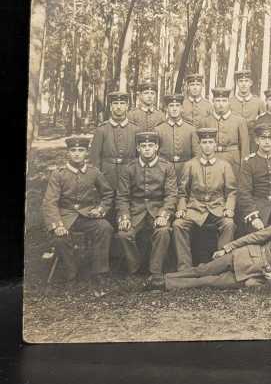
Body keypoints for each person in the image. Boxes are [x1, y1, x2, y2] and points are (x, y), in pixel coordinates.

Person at [145, 209, 271, 291]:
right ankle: (160, 277)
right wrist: (227, 248)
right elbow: (253, 238)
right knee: (203, 269)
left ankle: (162, 284)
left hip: (256, 275)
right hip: (243, 255)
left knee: (209, 281)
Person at [41, 136, 114, 296]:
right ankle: (71, 275)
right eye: (73, 150)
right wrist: (57, 225)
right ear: (67, 153)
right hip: (65, 217)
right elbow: (49, 202)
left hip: (87, 215)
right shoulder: (58, 174)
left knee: (105, 227)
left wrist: (100, 209)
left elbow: (108, 193)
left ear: (86, 152)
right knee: (60, 239)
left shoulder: (93, 172)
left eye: (81, 150)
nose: (76, 154)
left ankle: (99, 273)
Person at [172, 128, 237, 271]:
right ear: (199, 145)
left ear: (215, 145)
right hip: (195, 208)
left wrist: (229, 208)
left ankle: (219, 265)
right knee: (178, 225)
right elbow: (182, 192)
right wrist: (182, 208)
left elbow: (231, 192)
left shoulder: (224, 166)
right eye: (204, 142)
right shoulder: (190, 165)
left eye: (210, 142)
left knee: (228, 224)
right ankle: (185, 268)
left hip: (217, 208)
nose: (207, 145)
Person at [115, 132, 178, 278]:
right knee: (124, 234)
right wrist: (124, 217)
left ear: (156, 147)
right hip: (135, 211)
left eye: (151, 145)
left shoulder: (166, 167)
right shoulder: (129, 167)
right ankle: (135, 268)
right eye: (143, 146)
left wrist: (164, 215)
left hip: (158, 209)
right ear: (138, 148)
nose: (147, 149)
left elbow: (171, 195)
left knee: (163, 231)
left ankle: (155, 270)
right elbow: (122, 197)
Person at [89, 91, 140, 190]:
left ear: (127, 106)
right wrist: (99, 179)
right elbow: (95, 158)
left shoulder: (135, 130)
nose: (119, 107)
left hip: (129, 174)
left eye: (122, 103)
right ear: (111, 107)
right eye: (115, 103)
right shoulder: (102, 129)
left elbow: (139, 157)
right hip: (107, 175)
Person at [198, 87, 250, 174]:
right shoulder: (205, 121)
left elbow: (245, 148)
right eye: (218, 101)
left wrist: (244, 168)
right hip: (211, 159)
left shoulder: (240, 121)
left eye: (224, 101)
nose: (221, 104)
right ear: (213, 102)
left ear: (229, 102)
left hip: (233, 161)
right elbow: (199, 146)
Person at [154, 93, 200, 181]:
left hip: (185, 170)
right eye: (171, 106)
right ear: (166, 108)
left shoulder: (191, 129)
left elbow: (196, 154)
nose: (174, 109)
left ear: (182, 108)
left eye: (177, 106)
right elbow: (155, 154)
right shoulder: (158, 129)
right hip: (164, 170)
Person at [229, 69, 266, 139]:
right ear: (237, 83)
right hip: (235, 138)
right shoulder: (230, 102)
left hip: (253, 138)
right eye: (241, 81)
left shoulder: (258, 102)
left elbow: (263, 123)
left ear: (251, 83)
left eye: (246, 81)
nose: (243, 84)